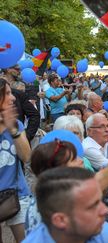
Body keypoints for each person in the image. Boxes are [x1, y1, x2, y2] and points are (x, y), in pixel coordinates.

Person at [26, 109, 108, 233]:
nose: (80, 161)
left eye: (76, 133)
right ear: (57, 169)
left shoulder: (52, 188)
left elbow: (107, 176)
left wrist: (107, 179)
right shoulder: (64, 196)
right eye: (73, 160)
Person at [23, 167, 108, 243]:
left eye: (100, 201)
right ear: (60, 220)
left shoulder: (102, 231)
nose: (105, 210)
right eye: (93, 206)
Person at [0, 77, 32, 243]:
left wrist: (12, 129)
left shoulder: (16, 124)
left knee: (26, 239)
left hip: (17, 193)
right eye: (7, 93)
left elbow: (26, 157)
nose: (12, 97)